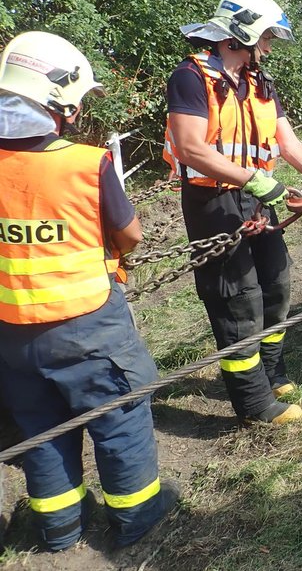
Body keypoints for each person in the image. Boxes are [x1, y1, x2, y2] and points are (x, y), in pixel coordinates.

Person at [0, 32, 179, 550]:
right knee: (119, 417)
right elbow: (130, 235)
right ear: (63, 103)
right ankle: (138, 518)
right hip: (88, 329)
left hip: (12, 337)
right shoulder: (86, 163)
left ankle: (58, 529)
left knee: (41, 429)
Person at [165, 0, 302, 425]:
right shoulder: (190, 77)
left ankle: (272, 372)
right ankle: (254, 403)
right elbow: (190, 148)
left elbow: (289, 142)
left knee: (276, 285)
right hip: (214, 200)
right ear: (238, 34)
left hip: (257, 196)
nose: (268, 46)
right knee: (236, 298)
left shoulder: (260, 82)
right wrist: (257, 180)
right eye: (265, 37)